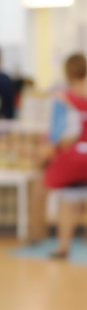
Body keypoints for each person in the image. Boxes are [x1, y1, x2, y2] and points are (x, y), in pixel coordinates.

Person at [44, 53, 87, 258]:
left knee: (68, 202)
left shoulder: (63, 98)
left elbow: (61, 134)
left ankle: (63, 245)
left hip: (73, 159)